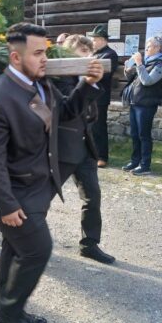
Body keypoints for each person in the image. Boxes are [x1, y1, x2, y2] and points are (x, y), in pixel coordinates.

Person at [0, 23, 103, 323]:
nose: (46, 58)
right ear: (16, 58)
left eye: (46, 50)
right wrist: (7, 205)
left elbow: (68, 111)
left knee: (15, 245)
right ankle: (11, 310)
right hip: (7, 189)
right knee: (37, 248)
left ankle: (6, 308)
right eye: (38, 53)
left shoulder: (41, 84)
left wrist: (87, 84)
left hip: (36, 185)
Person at [53, 35, 115, 264]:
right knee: (41, 197)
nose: (88, 60)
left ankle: (89, 244)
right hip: (61, 148)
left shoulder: (86, 78)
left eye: (89, 55)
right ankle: (19, 240)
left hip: (84, 147)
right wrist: (86, 83)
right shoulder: (59, 78)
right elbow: (68, 109)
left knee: (92, 195)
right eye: (82, 54)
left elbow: (90, 113)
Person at [121, 36, 162, 175]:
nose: (146, 49)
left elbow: (147, 81)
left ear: (158, 47)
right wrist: (128, 69)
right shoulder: (147, 61)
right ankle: (135, 161)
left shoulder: (161, 64)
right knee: (135, 134)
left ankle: (145, 165)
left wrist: (139, 64)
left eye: (148, 46)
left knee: (144, 135)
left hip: (147, 104)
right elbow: (134, 79)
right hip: (136, 102)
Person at [88, 24, 117, 167]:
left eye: (95, 39)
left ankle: (102, 156)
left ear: (103, 39)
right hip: (89, 96)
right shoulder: (94, 54)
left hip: (100, 97)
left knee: (99, 127)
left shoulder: (110, 54)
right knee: (90, 127)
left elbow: (104, 75)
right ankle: (92, 153)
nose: (93, 42)